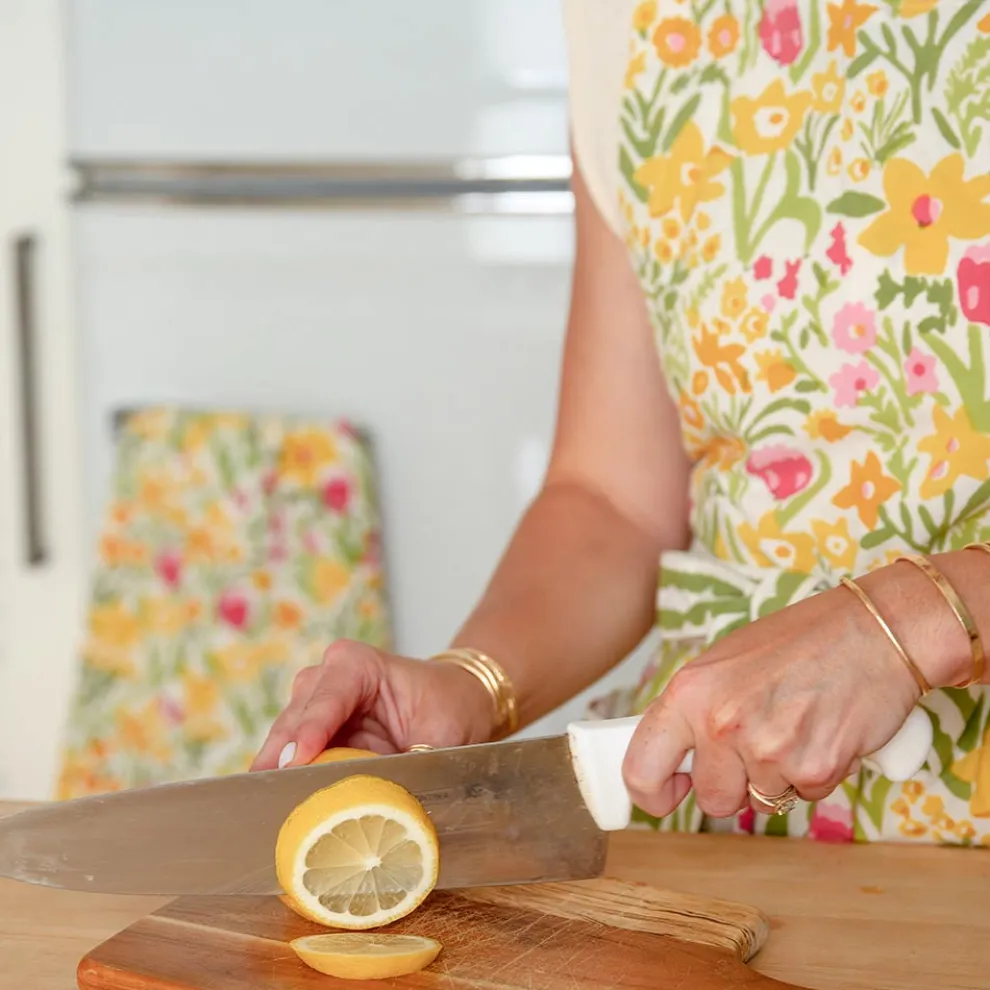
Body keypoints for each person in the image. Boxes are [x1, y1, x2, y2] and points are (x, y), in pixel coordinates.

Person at [253, 0, 990, 844]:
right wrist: (470, 680)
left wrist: (908, 620)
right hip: (723, 805)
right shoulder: (632, 23)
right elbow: (615, 497)